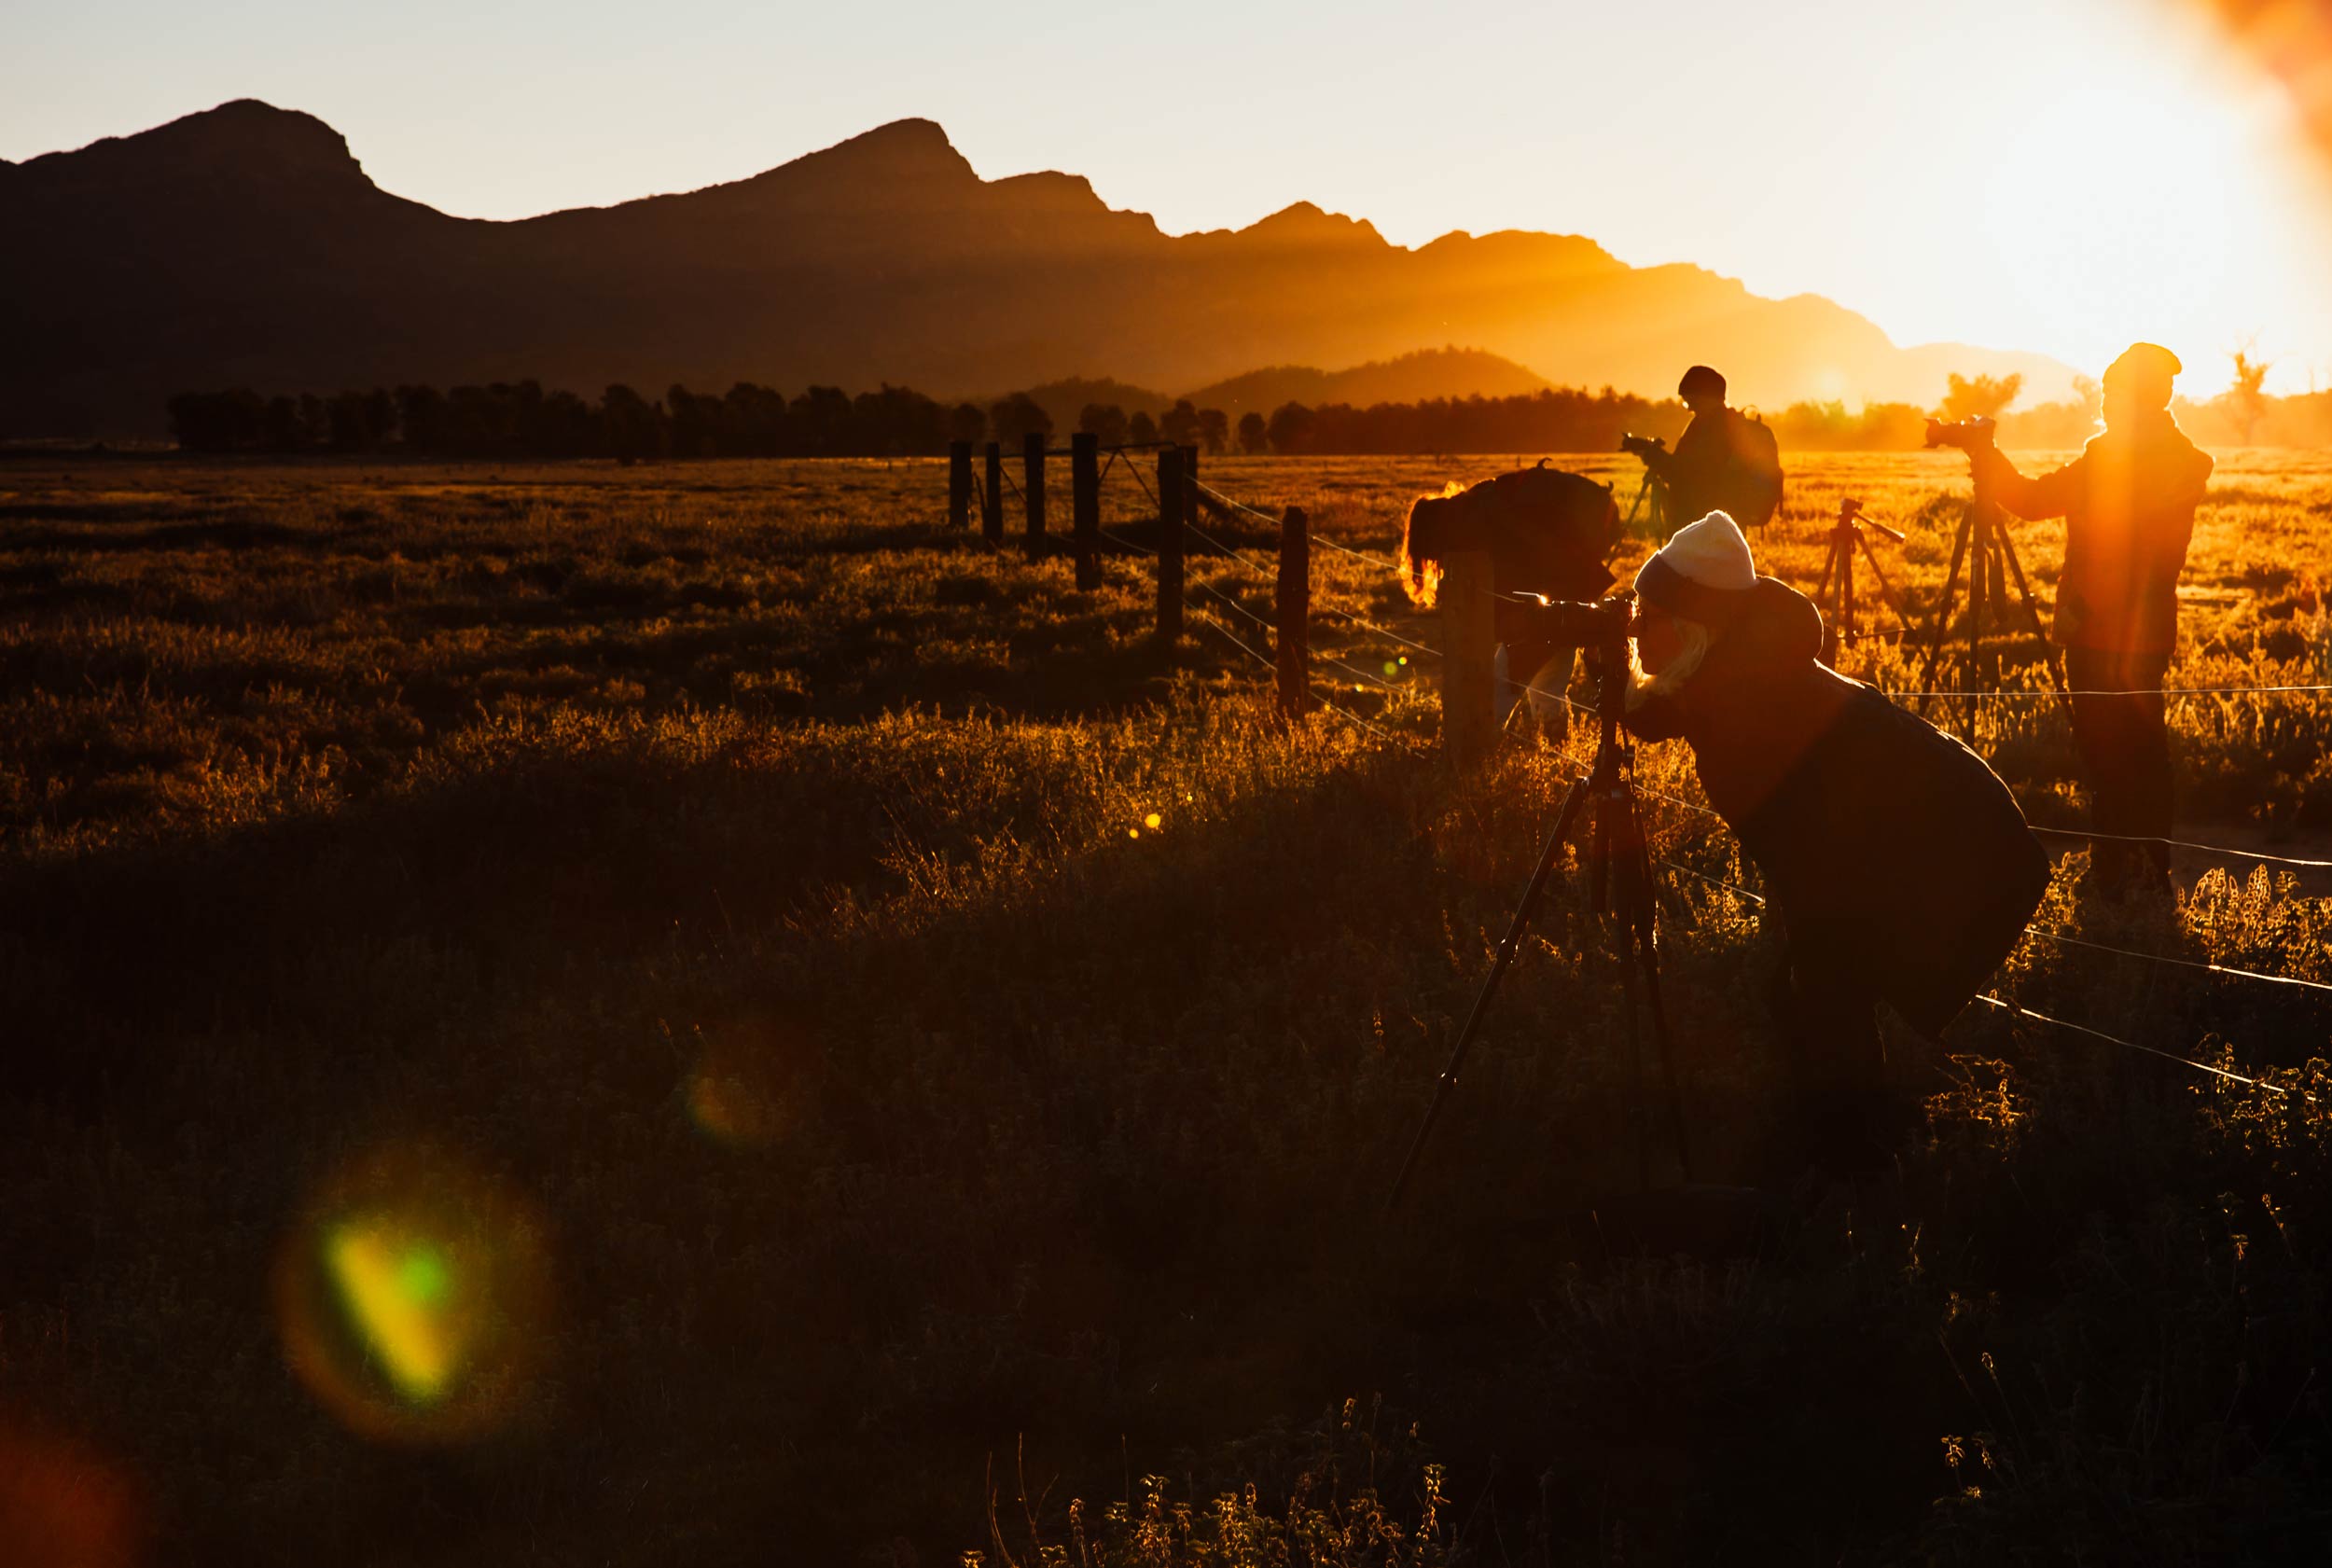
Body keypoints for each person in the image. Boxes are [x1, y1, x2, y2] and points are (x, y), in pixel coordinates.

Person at [1623, 511, 2050, 1173]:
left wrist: (1822, 949)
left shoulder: (1749, 712)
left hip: (1968, 851)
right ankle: (1843, 1151)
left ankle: (1858, 1168)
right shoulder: (1739, 670)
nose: (1633, 629)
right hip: (1910, 841)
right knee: (1805, 991)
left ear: (1693, 627)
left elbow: (1805, 862)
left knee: (1825, 990)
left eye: (1645, 616)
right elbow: (1667, 711)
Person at [1970, 341, 2213, 897]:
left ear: (2138, 401)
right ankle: (2143, 870)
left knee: (2109, 755)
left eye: (2112, 393)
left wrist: (1985, 455)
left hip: (2098, 632)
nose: (2103, 403)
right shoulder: (2182, 460)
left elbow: (2031, 501)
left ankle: (2114, 874)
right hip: (2147, 633)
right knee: (2143, 754)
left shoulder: (2112, 463)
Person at [1400, 462, 1622, 728]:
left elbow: (1511, 581)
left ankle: (1478, 749)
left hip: (1551, 600)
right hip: (1569, 592)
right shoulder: (1483, 502)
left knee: (1497, 692)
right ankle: (1557, 744)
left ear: (1431, 534)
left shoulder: (1472, 525)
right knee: (1547, 689)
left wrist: (1503, 629)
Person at [1635, 366, 1784, 531]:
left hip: (1705, 526)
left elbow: (1683, 474)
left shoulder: (1711, 429)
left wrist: (1651, 454)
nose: (1689, 408)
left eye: (1691, 401)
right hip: (1726, 525)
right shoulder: (1730, 425)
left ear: (1706, 398)